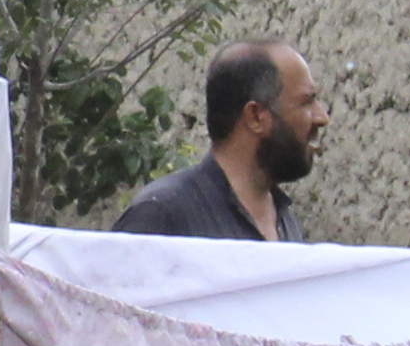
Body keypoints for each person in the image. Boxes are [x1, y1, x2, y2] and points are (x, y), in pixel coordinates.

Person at [111, 42, 328, 243]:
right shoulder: (164, 214)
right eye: (306, 102)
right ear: (255, 117)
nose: (322, 118)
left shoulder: (283, 218)